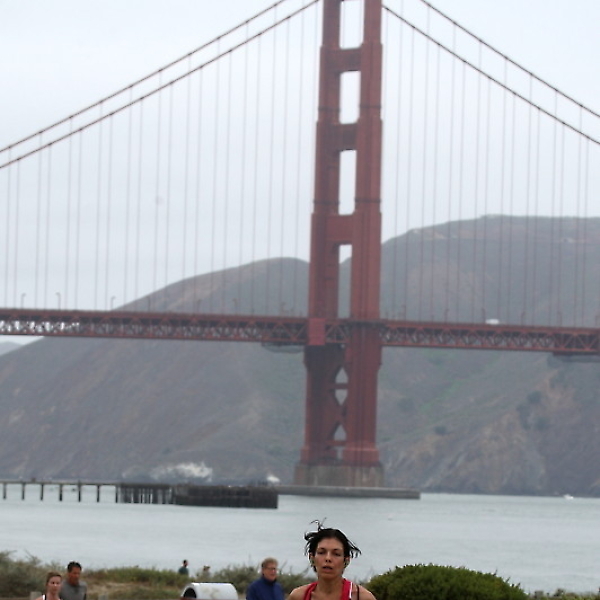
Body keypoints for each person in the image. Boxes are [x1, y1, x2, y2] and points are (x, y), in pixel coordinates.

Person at [287, 522, 377, 600]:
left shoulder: (361, 597)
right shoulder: (299, 596)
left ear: (346, 560)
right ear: (312, 557)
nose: (328, 558)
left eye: (336, 554)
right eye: (321, 552)